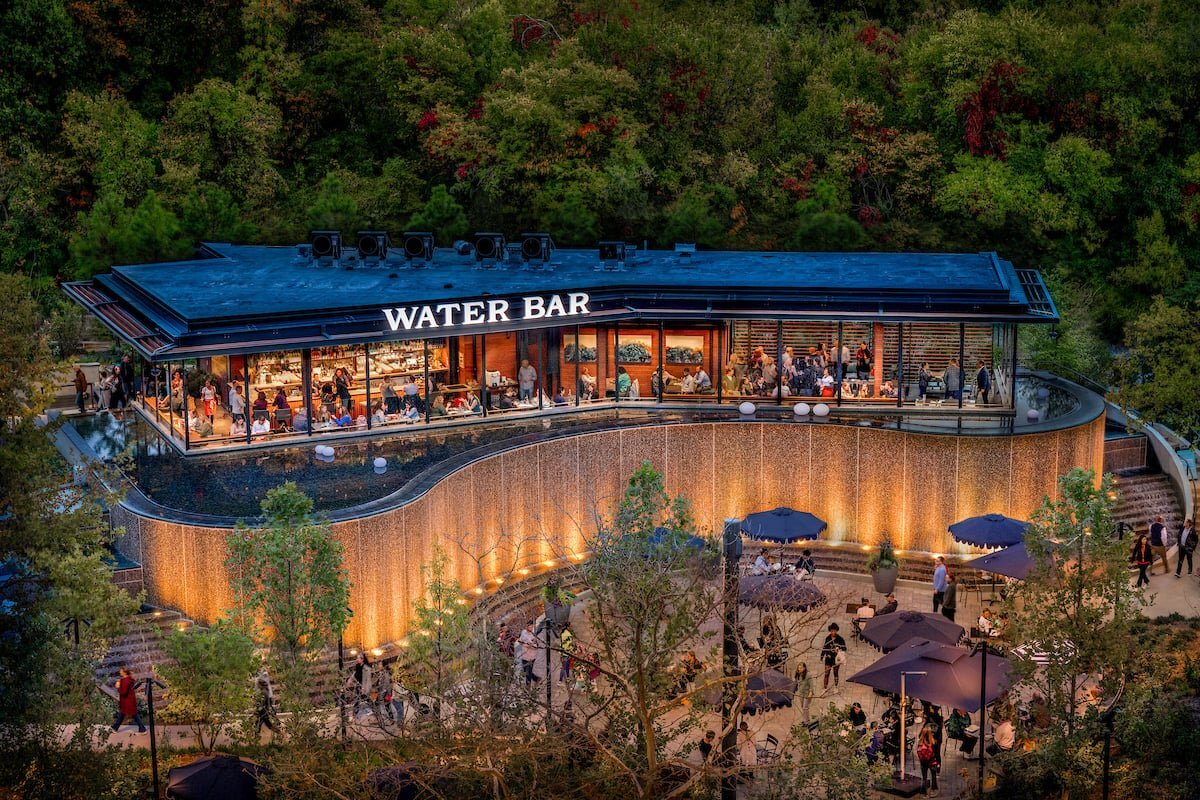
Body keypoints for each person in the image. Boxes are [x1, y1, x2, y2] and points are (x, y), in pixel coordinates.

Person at [111, 667, 145, 732]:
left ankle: (142, 729)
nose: (119, 672)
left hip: (127, 701)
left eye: (121, 671)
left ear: (124, 672)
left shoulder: (125, 681)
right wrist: (120, 682)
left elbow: (123, 692)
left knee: (133, 715)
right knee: (123, 714)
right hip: (129, 700)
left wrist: (118, 687)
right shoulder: (128, 679)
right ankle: (115, 728)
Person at [820, 623, 847, 692]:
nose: (833, 632)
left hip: (836, 659)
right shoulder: (828, 638)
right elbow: (824, 648)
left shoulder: (840, 639)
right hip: (828, 658)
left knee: (835, 673)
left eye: (834, 631)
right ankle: (825, 688)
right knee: (826, 673)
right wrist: (822, 656)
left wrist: (839, 650)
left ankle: (835, 687)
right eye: (832, 631)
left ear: (837, 630)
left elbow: (844, 648)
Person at [917, 726, 941, 796]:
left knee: (924, 777)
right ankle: (934, 789)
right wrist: (938, 763)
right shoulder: (934, 742)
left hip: (923, 763)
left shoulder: (920, 742)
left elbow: (918, 753)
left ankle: (923, 792)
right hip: (932, 762)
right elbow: (937, 753)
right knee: (933, 776)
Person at [254, 669, 276, 736]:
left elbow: (263, 703)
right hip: (263, 711)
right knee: (265, 724)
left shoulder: (263, 693)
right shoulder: (265, 691)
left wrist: (258, 708)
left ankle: (279, 733)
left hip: (263, 711)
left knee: (260, 723)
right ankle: (279, 733)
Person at [519, 621, 540, 686]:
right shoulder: (523, 632)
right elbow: (520, 640)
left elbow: (536, 646)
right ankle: (536, 678)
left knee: (528, 672)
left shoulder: (534, 635)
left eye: (531, 626)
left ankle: (528, 686)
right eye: (529, 626)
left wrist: (531, 644)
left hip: (531, 656)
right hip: (524, 655)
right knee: (525, 671)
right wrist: (525, 643)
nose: (530, 628)